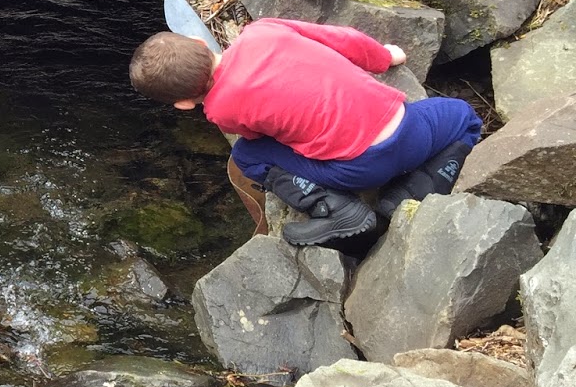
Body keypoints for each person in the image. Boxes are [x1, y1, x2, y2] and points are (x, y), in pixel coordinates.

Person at [129, 19, 483, 248]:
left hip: (356, 171)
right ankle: (416, 188)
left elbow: (257, 139)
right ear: (199, 42)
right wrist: (383, 57)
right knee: (464, 117)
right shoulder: (262, 31)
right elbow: (340, 39)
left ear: (184, 105)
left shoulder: (219, 111)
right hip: (408, 131)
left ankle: (334, 208)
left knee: (247, 157)